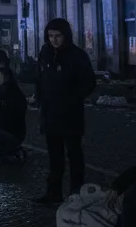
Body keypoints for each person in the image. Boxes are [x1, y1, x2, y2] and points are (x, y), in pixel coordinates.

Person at [34, 17, 96, 204]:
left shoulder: (77, 56)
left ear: (65, 35)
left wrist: (72, 98)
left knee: (74, 154)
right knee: (54, 156)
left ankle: (76, 193)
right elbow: (40, 78)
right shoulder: (45, 53)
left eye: (58, 36)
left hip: (70, 114)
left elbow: (89, 83)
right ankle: (53, 192)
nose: (54, 39)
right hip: (50, 113)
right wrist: (39, 98)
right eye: (51, 36)